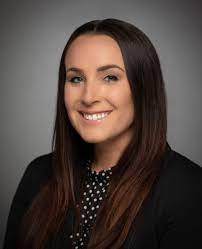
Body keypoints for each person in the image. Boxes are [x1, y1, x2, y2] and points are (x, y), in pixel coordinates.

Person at [3, 18, 202, 249]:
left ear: (144, 86)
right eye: (76, 78)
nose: (88, 97)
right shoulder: (38, 175)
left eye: (110, 77)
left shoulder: (188, 190)